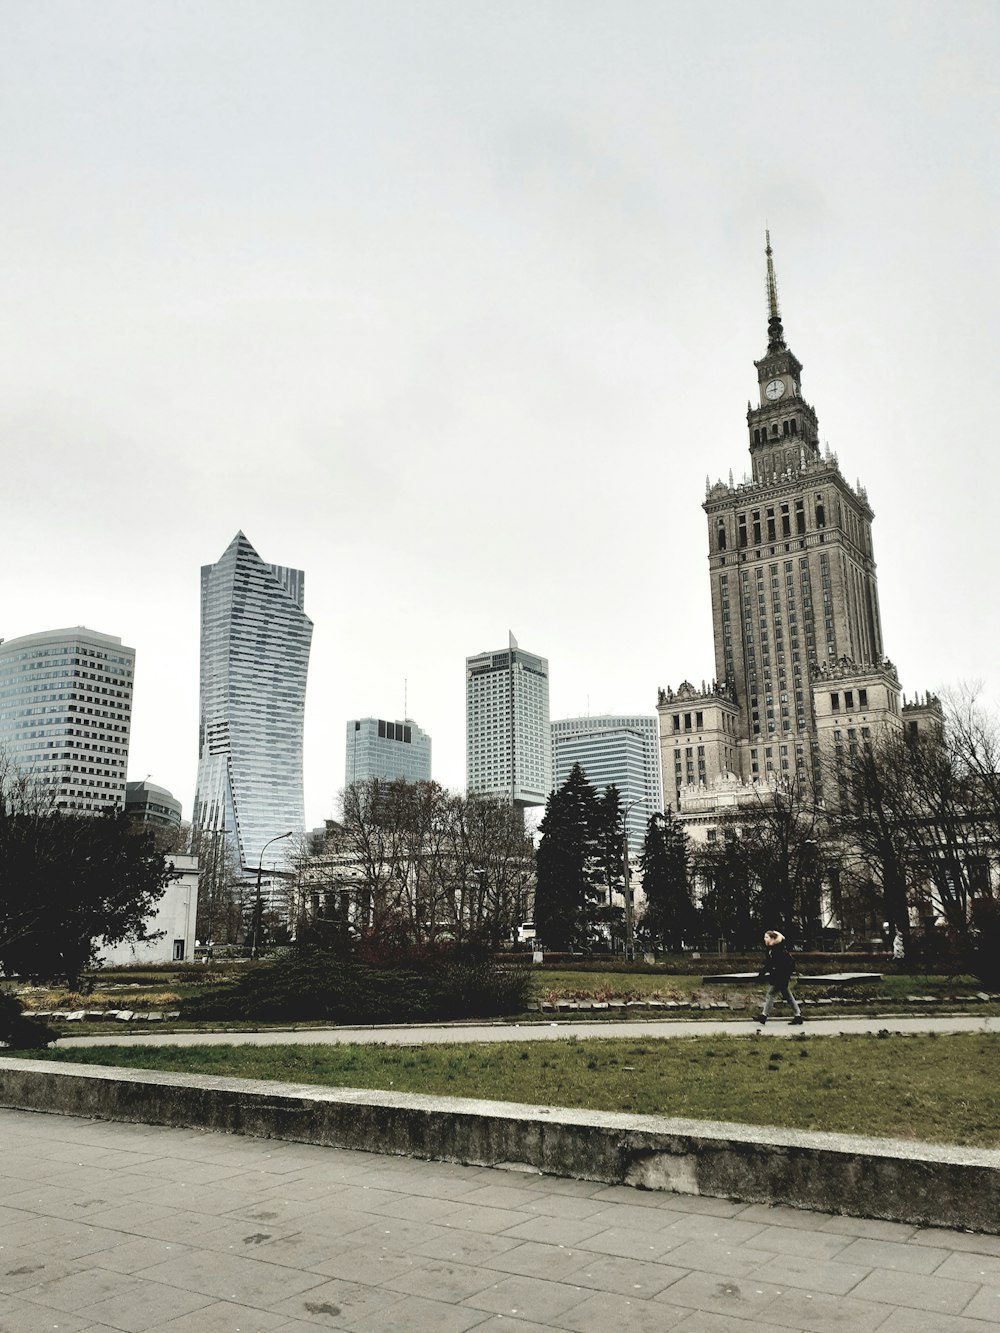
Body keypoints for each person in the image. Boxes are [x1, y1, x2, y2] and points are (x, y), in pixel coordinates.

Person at [755, 929, 803, 1025]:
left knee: (770, 994)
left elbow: (776, 964)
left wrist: (763, 973)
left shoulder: (778, 949)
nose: (764, 939)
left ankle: (764, 1016)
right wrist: (763, 973)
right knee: (788, 996)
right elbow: (769, 964)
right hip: (779, 976)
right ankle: (798, 1016)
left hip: (780, 977)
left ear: (772, 938)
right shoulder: (771, 950)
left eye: (766, 937)